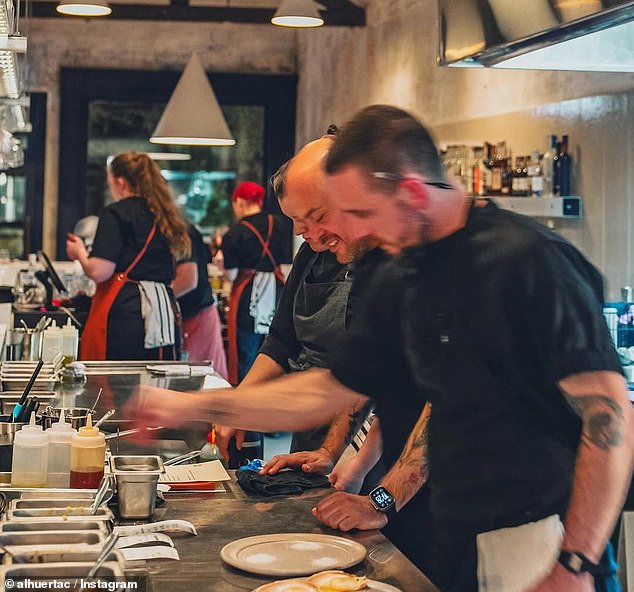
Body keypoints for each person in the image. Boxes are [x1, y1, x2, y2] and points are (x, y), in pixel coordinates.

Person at [127, 105, 634, 592]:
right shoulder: (401, 269)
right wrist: (193, 406)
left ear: (411, 192)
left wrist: (577, 561)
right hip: (453, 528)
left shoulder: (528, 262)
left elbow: (608, 419)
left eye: (358, 212)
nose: (344, 231)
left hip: (538, 539)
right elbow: (328, 389)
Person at [67, 151, 190, 361]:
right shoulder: (167, 216)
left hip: (127, 310)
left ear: (121, 182)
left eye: (110, 184)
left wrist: (79, 254)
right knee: (157, 376)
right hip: (163, 309)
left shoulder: (116, 213)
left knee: (120, 381)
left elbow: (100, 271)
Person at [220, 181, 289, 385]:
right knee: (274, 344)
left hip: (247, 293)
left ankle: (246, 393)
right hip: (277, 289)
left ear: (240, 202)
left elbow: (231, 275)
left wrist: (221, 265)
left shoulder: (235, 232)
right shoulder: (280, 224)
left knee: (246, 348)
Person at [173, 223, 228, 378]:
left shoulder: (181, 229)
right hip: (195, 310)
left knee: (207, 376)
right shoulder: (183, 228)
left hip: (198, 312)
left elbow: (188, 280)